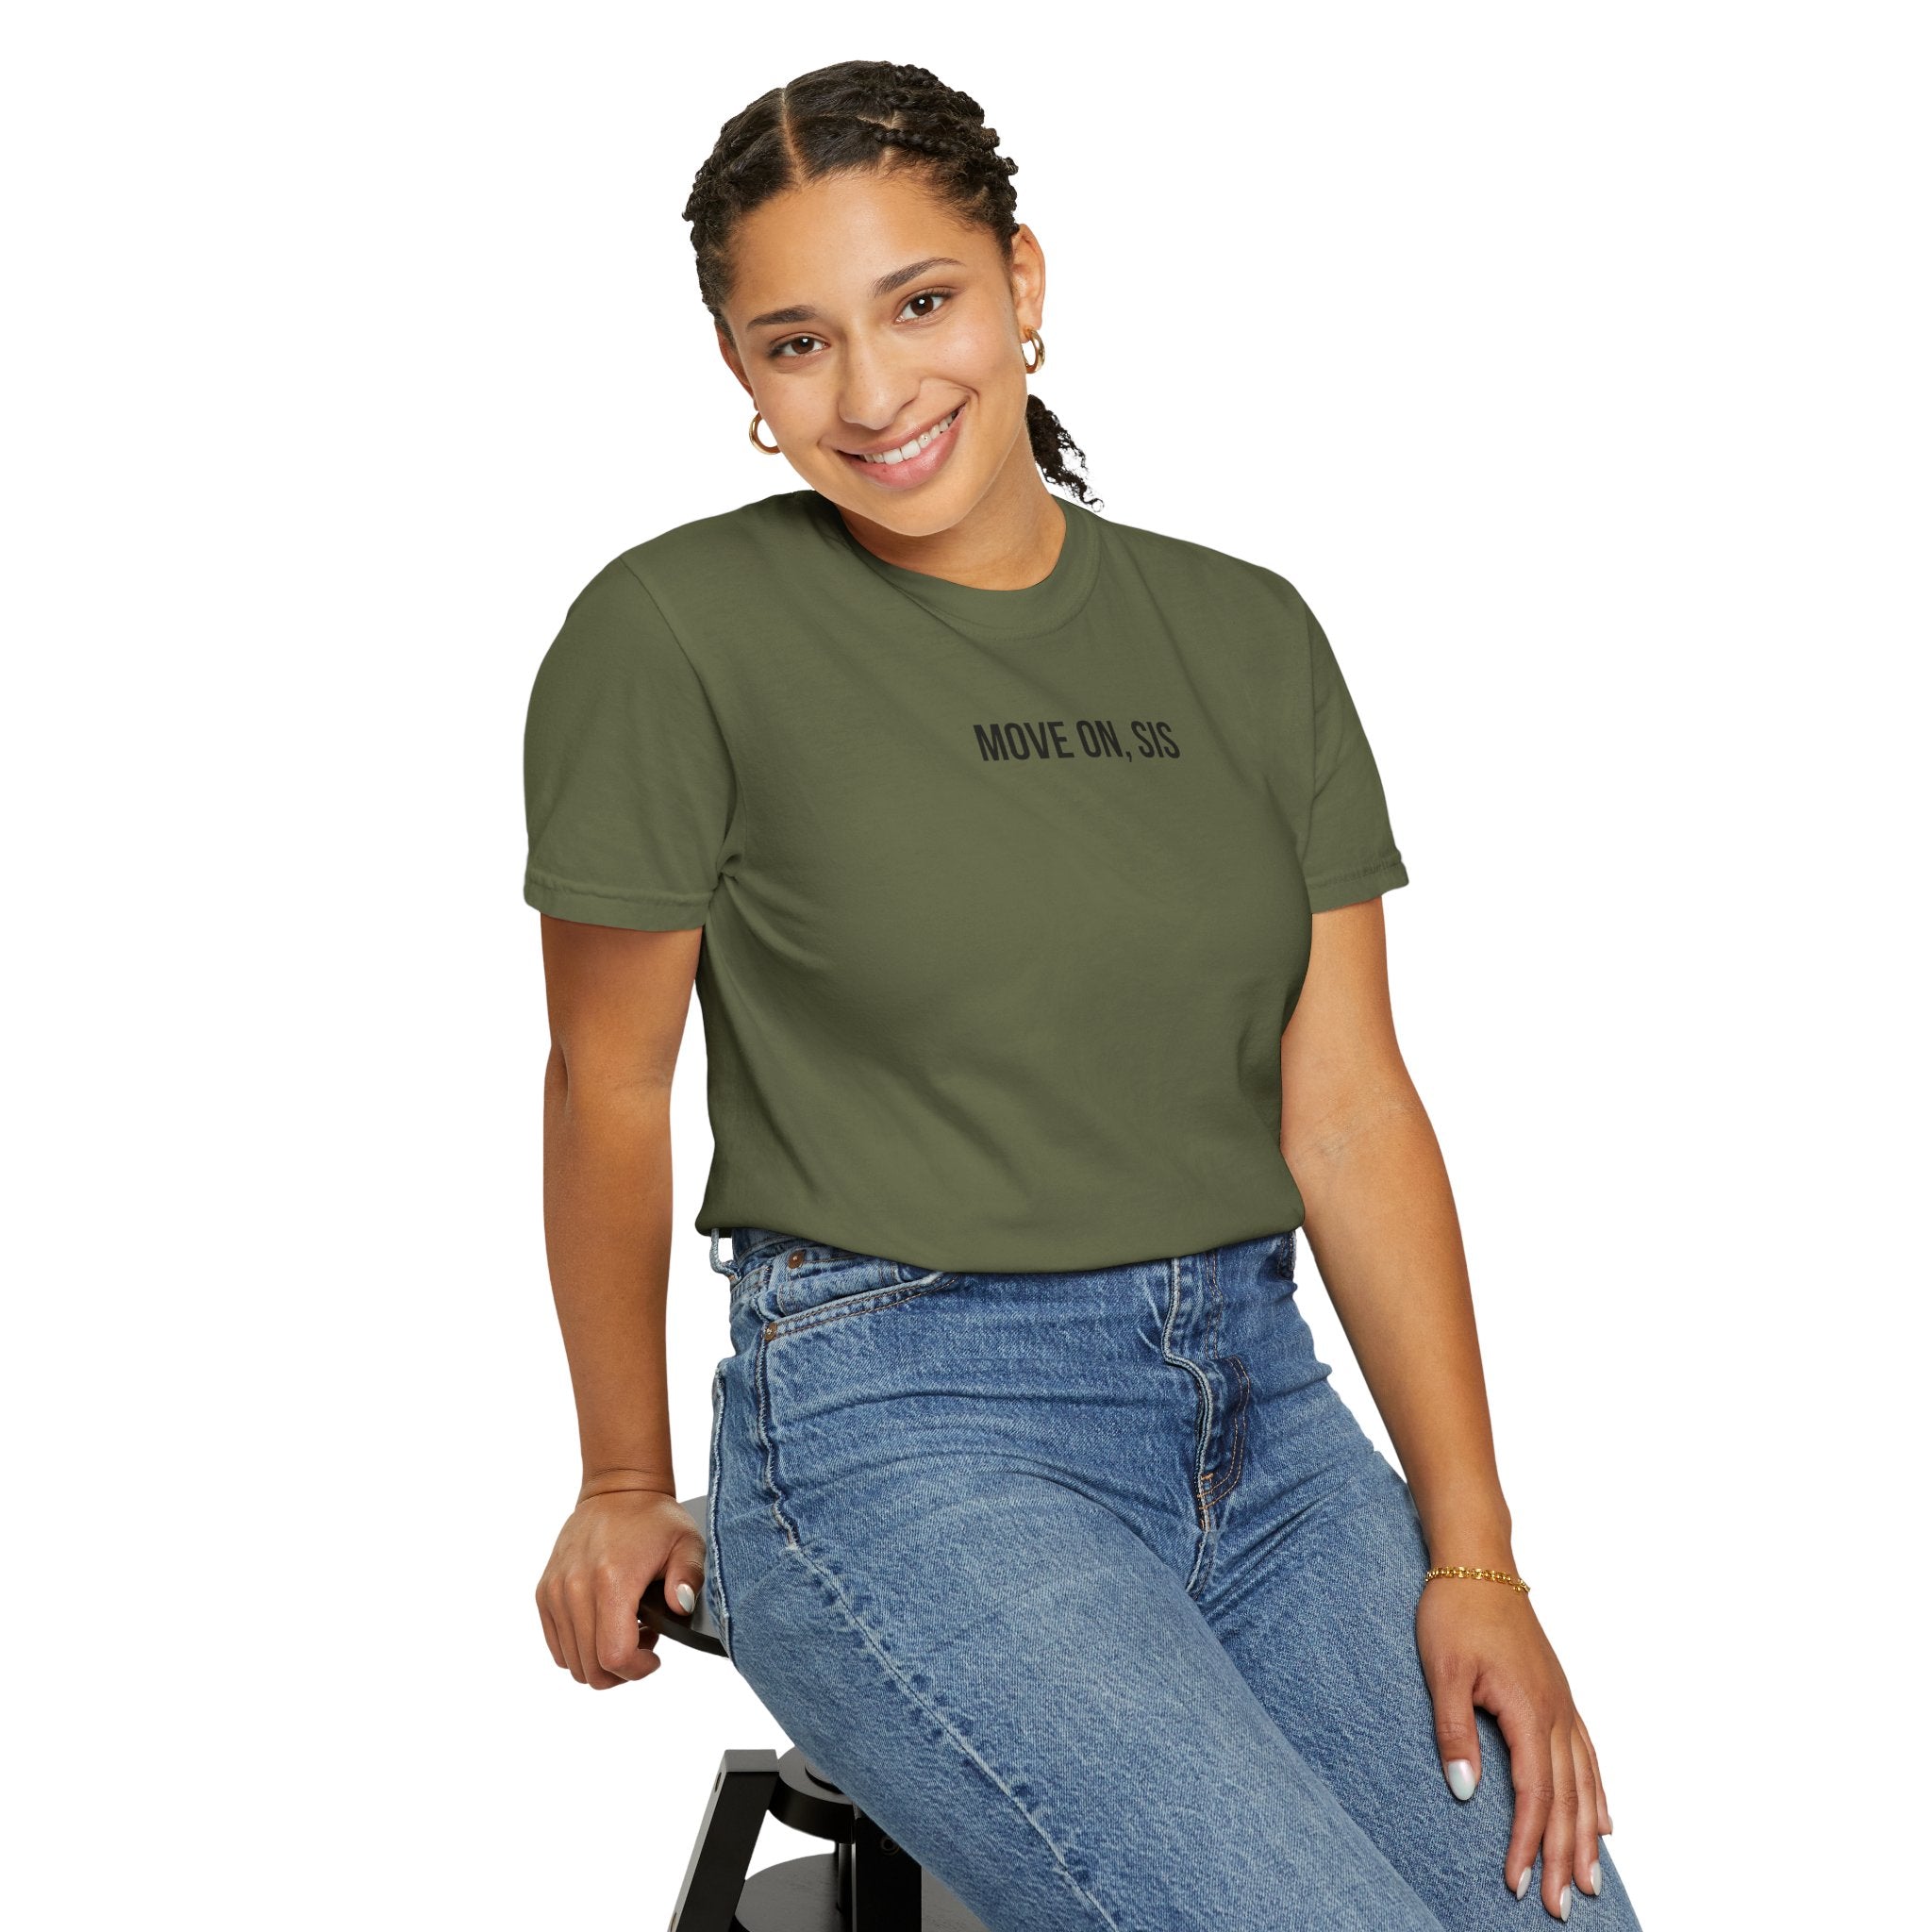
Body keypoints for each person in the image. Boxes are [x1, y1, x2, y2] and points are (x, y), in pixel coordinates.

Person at [522, 58, 1643, 1932]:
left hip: (1262, 1421)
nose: (873, 394)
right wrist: (624, 1471)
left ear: (1022, 281)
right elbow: (606, 1082)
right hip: (893, 1430)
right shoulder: (674, 635)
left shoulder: (1244, 635)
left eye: (922, 303)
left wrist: (1476, 1556)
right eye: (794, 343)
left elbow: (1348, 1104)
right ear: (739, 373)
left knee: (1561, 1922)